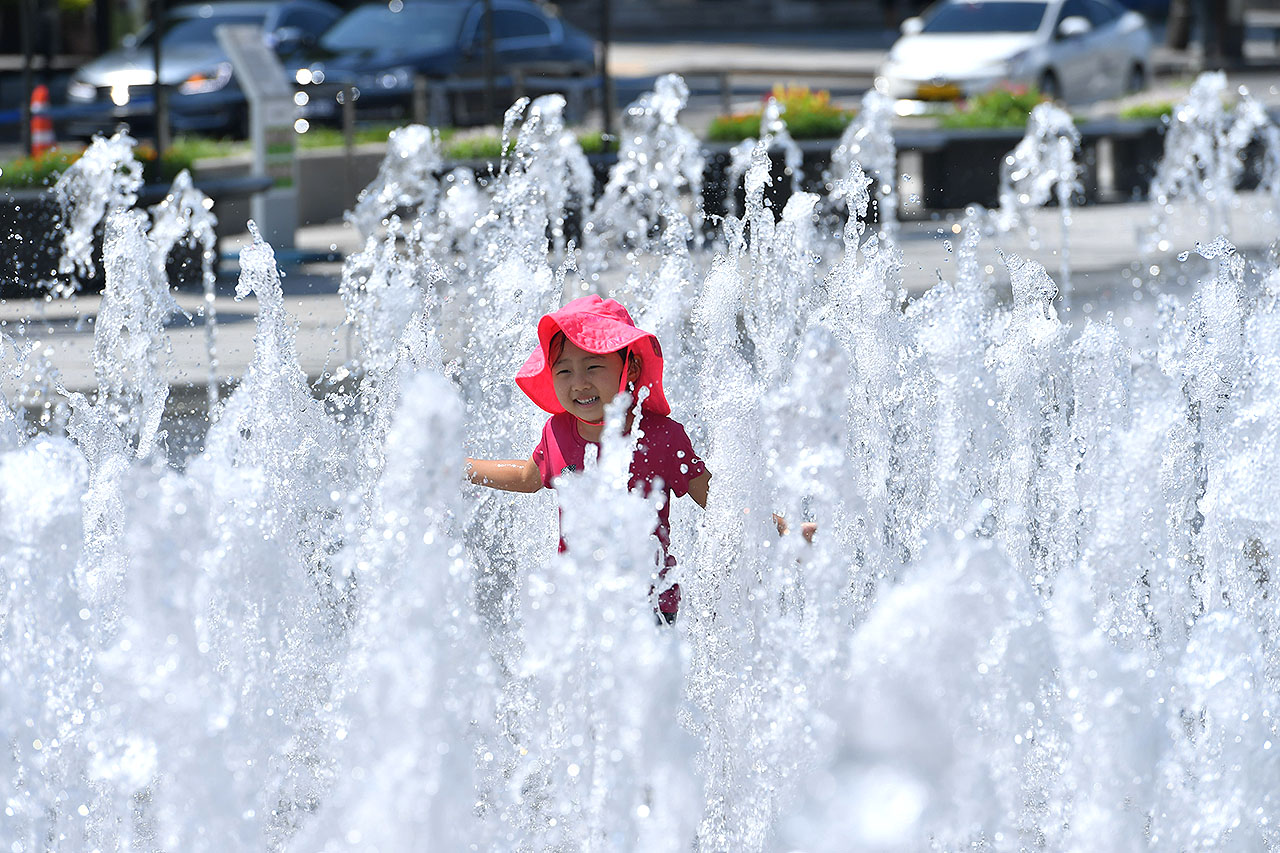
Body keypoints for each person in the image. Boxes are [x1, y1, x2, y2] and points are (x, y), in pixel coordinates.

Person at [465, 295, 709, 623]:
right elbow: (526, 477)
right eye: (564, 370)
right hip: (579, 603)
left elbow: (717, 499)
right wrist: (457, 466)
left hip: (648, 605)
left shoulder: (661, 436)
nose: (579, 383)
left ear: (630, 367)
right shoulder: (558, 432)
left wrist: (785, 529)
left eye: (593, 366)